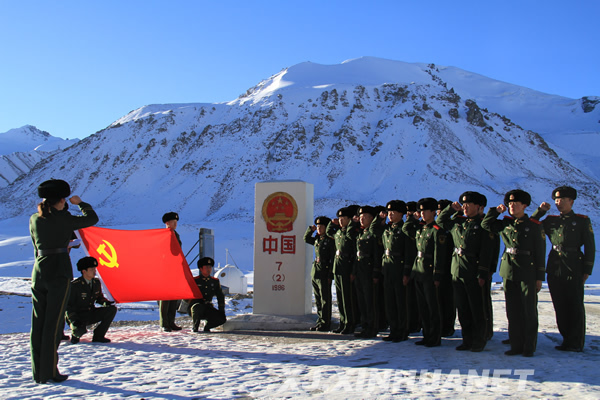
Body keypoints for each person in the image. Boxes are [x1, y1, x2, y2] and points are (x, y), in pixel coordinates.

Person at [29, 179, 99, 384]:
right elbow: (92, 218)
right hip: (59, 274)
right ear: (61, 200)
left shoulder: (35, 218)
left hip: (39, 272)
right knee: (53, 324)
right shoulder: (65, 218)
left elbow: (36, 246)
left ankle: (38, 372)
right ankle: (49, 372)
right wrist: (81, 203)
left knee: (38, 323)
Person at [482, 189, 546, 357]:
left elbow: (540, 252)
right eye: (510, 203)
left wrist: (540, 278)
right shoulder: (505, 223)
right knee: (513, 310)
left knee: (529, 311)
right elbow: (486, 224)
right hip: (509, 270)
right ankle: (516, 345)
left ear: (524, 206)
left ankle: (528, 347)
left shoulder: (533, 225)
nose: (512, 206)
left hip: (528, 271)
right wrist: (496, 211)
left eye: (515, 204)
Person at [531, 186, 595, 352]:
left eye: (561, 200)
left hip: (574, 265)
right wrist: (540, 211)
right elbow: (532, 225)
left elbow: (590, 246)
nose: (558, 203)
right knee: (559, 304)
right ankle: (567, 338)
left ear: (571, 201)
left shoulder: (581, 221)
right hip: (555, 265)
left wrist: (587, 270)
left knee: (574, 304)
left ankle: (576, 341)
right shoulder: (551, 221)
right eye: (556, 200)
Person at [437, 192, 494, 352]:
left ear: (479, 207)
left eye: (469, 204)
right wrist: (450, 209)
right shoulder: (457, 222)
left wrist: (483, 273)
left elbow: (486, 251)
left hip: (473, 270)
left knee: (477, 308)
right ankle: (467, 339)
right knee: (462, 308)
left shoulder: (483, 225)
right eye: (463, 204)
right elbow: (440, 221)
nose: (465, 207)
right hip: (457, 270)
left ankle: (479, 340)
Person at [403, 198, 448, 347]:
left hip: (429, 272)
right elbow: (405, 229)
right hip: (419, 271)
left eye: (424, 211)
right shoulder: (420, 229)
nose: (422, 213)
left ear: (433, 212)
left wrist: (437, 275)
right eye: (420, 211)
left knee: (432, 307)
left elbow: (439, 255)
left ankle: (435, 337)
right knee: (423, 307)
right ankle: (427, 334)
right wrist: (411, 218)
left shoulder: (437, 231)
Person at [66, 257, 117, 344]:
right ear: (84, 271)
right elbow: (68, 306)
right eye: (92, 269)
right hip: (78, 316)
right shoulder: (75, 286)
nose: (94, 271)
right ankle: (75, 333)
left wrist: (106, 302)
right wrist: (74, 320)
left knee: (112, 310)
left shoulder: (96, 282)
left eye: (95, 268)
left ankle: (98, 336)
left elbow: (99, 298)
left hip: (90, 313)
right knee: (79, 331)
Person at [380, 200, 410, 342]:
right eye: (389, 212)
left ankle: (402, 330)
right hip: (388, 268)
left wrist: (406, 272)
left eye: (393, 212)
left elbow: (409, 253)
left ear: (401, 214)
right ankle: (393, 329)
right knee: (390, 302)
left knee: (400, 302)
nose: (390, 215)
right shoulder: (387, 229)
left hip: (399, 268)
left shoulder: (404, 229)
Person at [326, 207, 360, 334]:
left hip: (347, 267)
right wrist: (331, 223)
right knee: (340, 298)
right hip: (338, 267)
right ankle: (343, 322)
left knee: (348, 299)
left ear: (350, 220)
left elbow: (355, 252)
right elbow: (329, 232)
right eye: (339, 219)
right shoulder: (339, 232)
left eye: (343, 219)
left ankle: (350, 323)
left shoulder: (352, 232)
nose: (340, 221)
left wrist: (353, 271)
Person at [353, 206, 384, 338]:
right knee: (362, 301)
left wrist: (376, 272)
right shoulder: (361, 233)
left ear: (372, 219)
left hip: (369, 270)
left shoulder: (373, 233)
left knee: (370, 301)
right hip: (360, 270)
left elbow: (377, 254)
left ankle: (372, 327)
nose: (361, 219)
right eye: (360, 217)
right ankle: (365, 325)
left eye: (364, 217)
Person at [304, 216, 335, 331]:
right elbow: (306, 238)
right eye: (317, 226)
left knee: (325, 299)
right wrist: (310, 230)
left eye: (321, 226)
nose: (319, 228)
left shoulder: (329, 241)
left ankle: (326, 322)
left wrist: (330, 275)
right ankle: (320, 320)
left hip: (325, 271)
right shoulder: (318, 239)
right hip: (316, 271)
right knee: (318, 298)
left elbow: (332, 259)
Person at [159, 212, 183, 332]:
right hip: (165, 269)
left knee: (174, 296)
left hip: (174, 269)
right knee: (165, 297)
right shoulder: (163, 235)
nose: (175, 224)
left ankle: (171, 321)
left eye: (176, 222)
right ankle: (164, 323)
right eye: (173, 222)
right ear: (167, 223)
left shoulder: (176, 235)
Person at [189, 257, 226, 332]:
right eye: (206, 267)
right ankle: (195, 327)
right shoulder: (195, 281)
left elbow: (220, 296)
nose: (209, 269)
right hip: (196, 307)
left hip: (207, 306)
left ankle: (207, 327)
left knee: (222, 319)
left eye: (210, 267)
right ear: (201, 269)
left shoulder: (214, 281)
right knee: (197, 307)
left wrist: (221, 310)